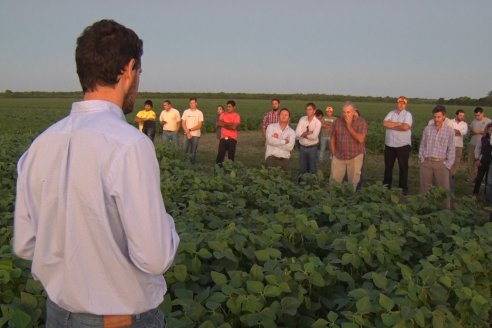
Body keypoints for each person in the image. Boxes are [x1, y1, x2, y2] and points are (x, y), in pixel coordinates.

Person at [13, 19, 179, 327]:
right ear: (129, 70)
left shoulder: (41, 145)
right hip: (120, 320)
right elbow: (155, 257)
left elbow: (25, 245)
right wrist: (167, 224)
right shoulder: (130, 145)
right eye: (139, 72)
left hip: (58, 314)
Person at [419, 105, 455, 208]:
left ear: (444, 116)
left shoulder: (449, 131)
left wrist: (447, 165)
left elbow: (451, 149)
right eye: (434, 117)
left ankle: (444, 211)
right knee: (424, 189)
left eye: (438, 117)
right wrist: (422, 159)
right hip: (427, 162)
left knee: (443, 190)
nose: (436, 119)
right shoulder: (427, 129)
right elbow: (422, 144)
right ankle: (423, 208)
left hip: (441, 163)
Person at [330, 101, 368, 191]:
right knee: (334, 182)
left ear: (354, 111)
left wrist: (349, 126)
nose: (345, 114)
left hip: (355, 156)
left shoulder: (361, 122)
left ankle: (351, 201)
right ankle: (333, 201)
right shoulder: (337, 122)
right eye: (344, 112)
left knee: (353, 184)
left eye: (348, 112)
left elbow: (361, 139)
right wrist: (334, 152)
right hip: (339, 156)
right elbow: (332, 138)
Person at [382, 96, 413, 195]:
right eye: (400, 103)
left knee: (403, 167)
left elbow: (406, 127)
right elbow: (385, 123)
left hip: (403, 145)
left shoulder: (408, 115)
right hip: (389, 145)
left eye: (403, 103)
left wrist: (393, 125)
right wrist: (399, 124)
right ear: (397, 103)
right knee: (388, 167)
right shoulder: (391, 113)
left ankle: (403, 188)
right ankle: (386, 187)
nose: (401, 105)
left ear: (405, 105)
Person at [295, 102, 321, 178]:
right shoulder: (302, 119)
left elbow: (314, 137)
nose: (308, 111)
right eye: (307, 109)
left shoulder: (317, 122)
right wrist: (308, 133)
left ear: (314, 111)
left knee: (312, 168)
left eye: (310, 109)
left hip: (313, 148)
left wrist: (302, 134)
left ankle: (312, 185)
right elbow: (296, 134)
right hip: (302, 147)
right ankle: (302, 184)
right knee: (302, 168)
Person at [467, 107, 491, 182]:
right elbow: (470, 132)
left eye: (478, 115)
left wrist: (478, 132)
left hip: (483, 145)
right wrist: (474, 131)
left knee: (481, 162)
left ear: (482, 113)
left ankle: (481, 179)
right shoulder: (474, 121)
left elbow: (489, 132)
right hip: (472, 143)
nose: (477, 117)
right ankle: (471, 178)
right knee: (470, 162)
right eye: (475, 115)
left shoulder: (488, 121)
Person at [216, 100, 241, 164]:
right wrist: (230, 123)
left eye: (230, 107)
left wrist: (224, 124)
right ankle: (219, 169)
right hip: (223, 138)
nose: (228, 108)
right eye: (227, 107)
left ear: (234, 107)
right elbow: (219, 123)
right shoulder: (223, 114)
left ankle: (230, 171)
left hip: (232, 139)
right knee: (220, 155)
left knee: (231, 156)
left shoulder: (236, 116)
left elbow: (234, 127)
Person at [182, 97, 204, 164]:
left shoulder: (199, 113)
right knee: (184, 150)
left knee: (193, 151)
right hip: (186, 134)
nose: (191, 104)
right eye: (190, 103)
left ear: (196, 103)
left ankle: (192, 165)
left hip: (196, 135)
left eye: (193, 103)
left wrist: (190, 130)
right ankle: (183, 164)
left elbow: (199, 125)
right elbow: (183, 123)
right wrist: (188, 132)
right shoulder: (186, 112)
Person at [449, 109, 468, 186]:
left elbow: (464, 132)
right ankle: (447, 173)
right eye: (460, 115)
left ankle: (452, 174)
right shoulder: (450, 122)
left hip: (459, 145)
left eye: (463, 116)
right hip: (450, 144)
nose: (462, 117)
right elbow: (449, 131)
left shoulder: (464, 124)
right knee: (450, 159)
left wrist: (456, 131)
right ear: (456, 115)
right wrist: (458, 132)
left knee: (457, 160)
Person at [473, 123, 492, 196]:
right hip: (483, 160)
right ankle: (475, 193)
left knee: (488, 180)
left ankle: (486, 195)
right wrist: (477, 159)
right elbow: (478, 148)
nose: (491, 132)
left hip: (491, 162)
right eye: (490, 130)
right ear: (487, 130)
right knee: (479, 178)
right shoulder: (483, 138)